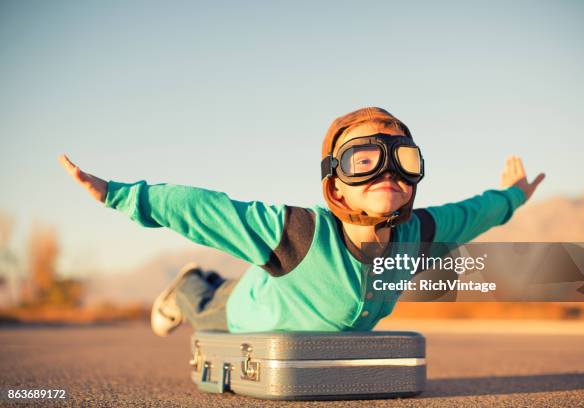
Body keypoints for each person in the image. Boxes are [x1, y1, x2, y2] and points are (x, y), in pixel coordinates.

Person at [59, 107, 545, 336]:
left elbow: (472, 215)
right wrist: (120, 195)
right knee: (206, 309)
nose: (388, 171)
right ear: (335, 184)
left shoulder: (418, 233)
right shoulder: (296, 232)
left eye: (403, 159)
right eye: (365, 161)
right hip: (249, 313)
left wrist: (512, 197)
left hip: (299, 320)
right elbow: (203, 210)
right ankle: (190, 284)